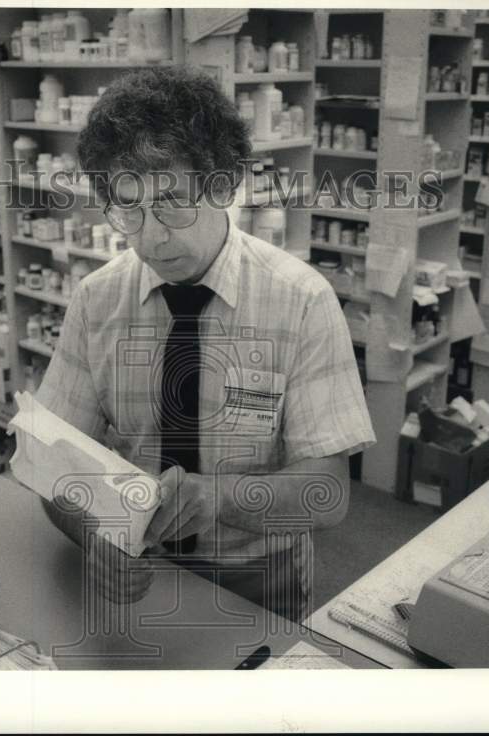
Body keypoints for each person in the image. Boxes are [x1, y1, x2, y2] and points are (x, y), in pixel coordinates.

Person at [36, 65, 374, 622]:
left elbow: (328, 494)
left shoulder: (302, 300)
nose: (152, 235)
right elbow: (52, 463)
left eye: (172, 201)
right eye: (129, 208)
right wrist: (92, 532)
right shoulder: (98, 300)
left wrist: (219, 497)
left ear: (222, 185)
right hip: (134, 573)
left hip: (260, 580)